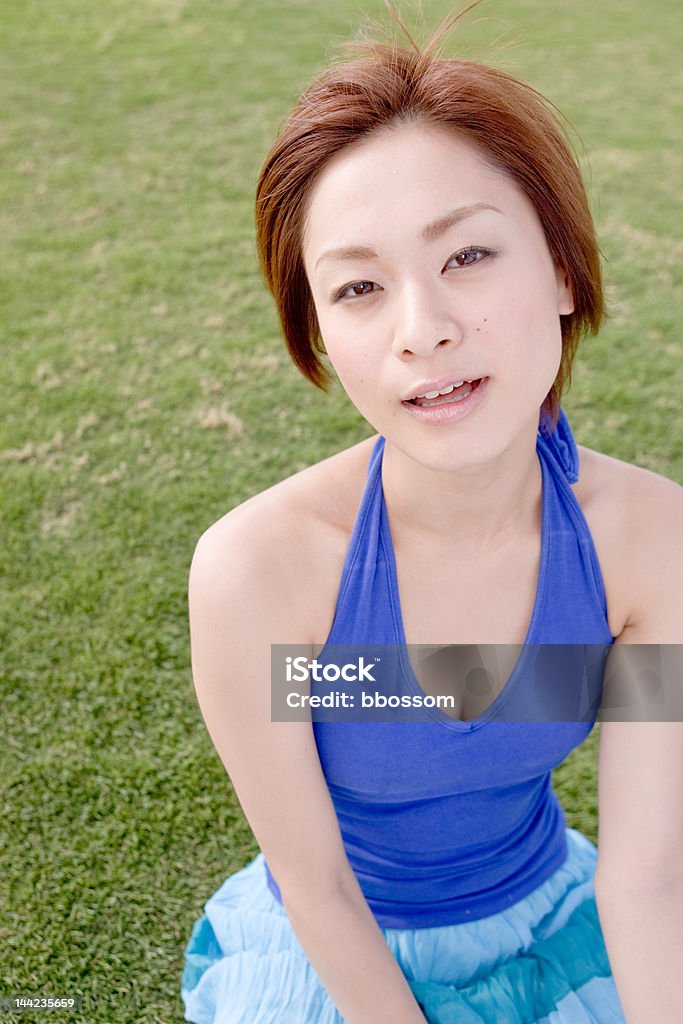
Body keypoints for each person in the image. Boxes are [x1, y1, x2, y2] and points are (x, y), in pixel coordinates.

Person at [180, 9, 683, 1023]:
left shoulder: (648, 541)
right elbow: (316, 889)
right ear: (318, 334)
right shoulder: (259, 569)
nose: (424, 332)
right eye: (358, 286)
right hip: (337, 957)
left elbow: (643, 883)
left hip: (553, 919)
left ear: (558, 268)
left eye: (465, 257)